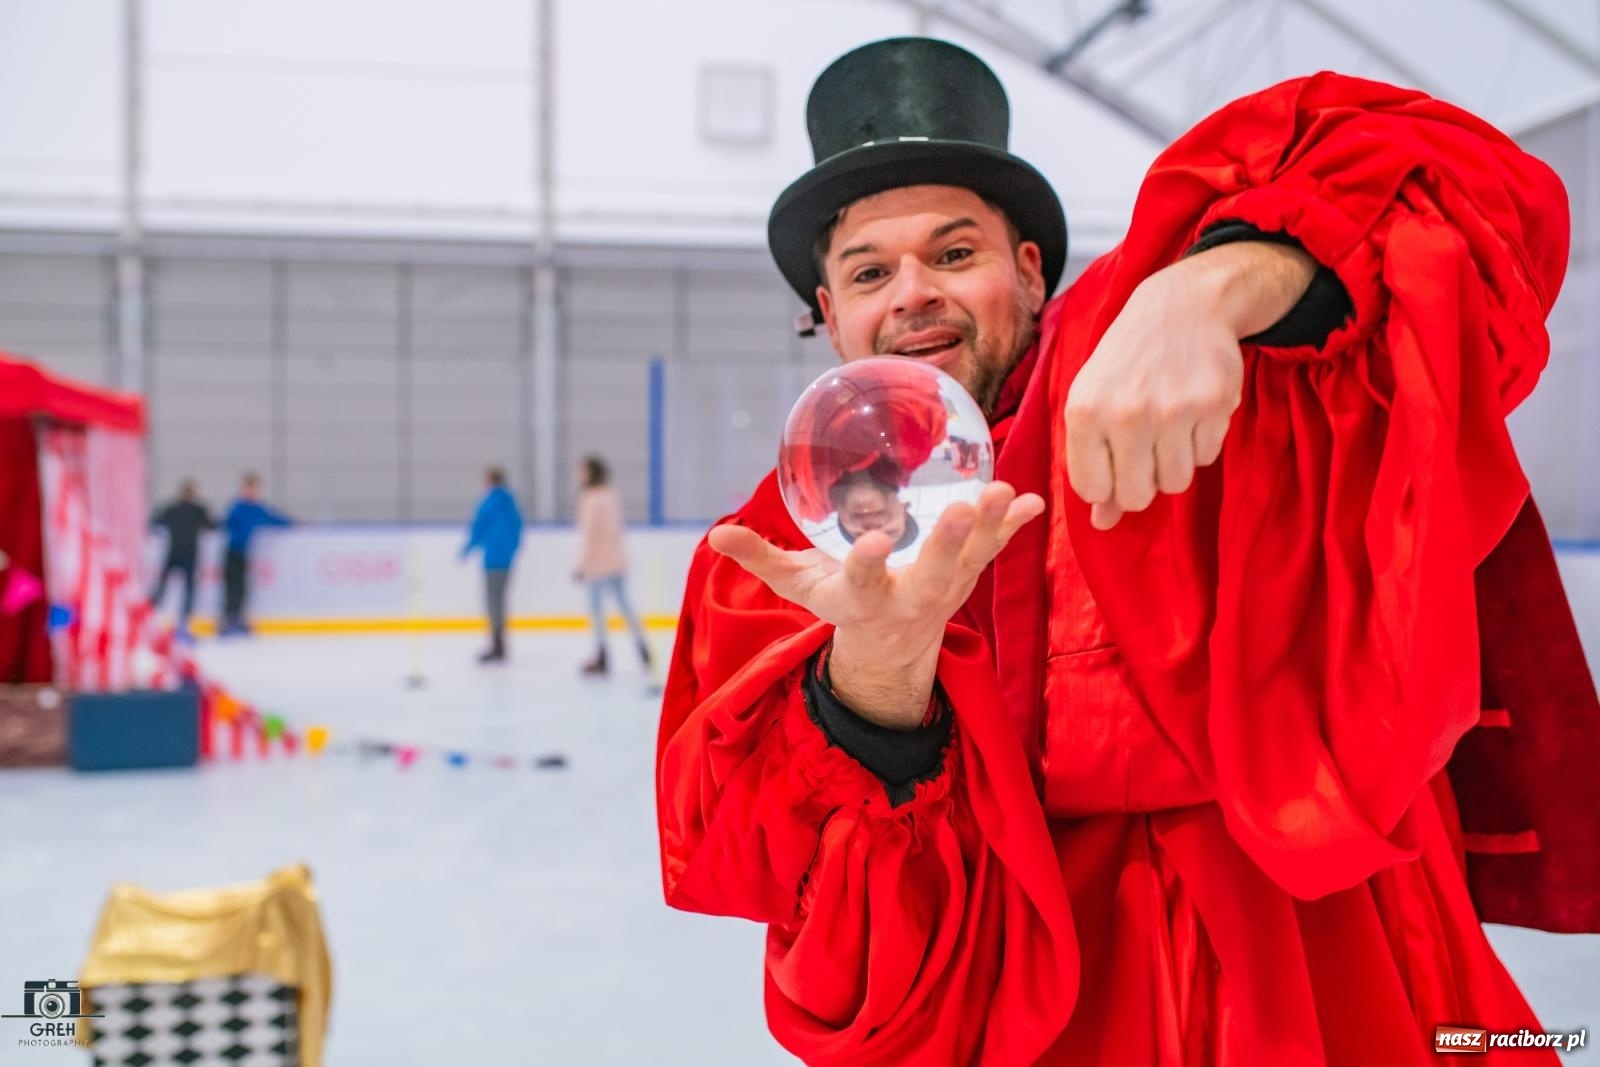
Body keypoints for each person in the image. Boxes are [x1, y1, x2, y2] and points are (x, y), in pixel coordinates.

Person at [656, 37, 1600, 1066]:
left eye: (955, 252)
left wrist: (1208, 291)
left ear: (1029, 273)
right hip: (1055, 1012)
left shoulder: (1170, 370)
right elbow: (828, 935)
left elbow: (1447, 186)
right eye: (870, 270)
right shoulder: (775, 555)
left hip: (1333, 969)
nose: (913, 291)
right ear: (829, 317)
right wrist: (880, 672)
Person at [574, 455, 650, 675]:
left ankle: (601, 654)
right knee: (625, 605)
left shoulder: (591, 498)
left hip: (597, 563)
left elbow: (589, 534)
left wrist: (582, 564)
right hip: (616, 559)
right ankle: (641, 646)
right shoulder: (611, 495)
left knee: (597, 610)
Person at [461, 466, 523, 663]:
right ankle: (500, 642)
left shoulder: (487, 503)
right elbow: (518, 527)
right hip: (506, 558)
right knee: (501, 599)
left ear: (489, 480)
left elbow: (478, 527)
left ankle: (497, 643)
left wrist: (468, 548)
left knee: (493, 600)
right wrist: (513, 550)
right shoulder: (511, 502)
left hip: (493, 558)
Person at [220, 473, 292, 636]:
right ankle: (228, 621)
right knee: (232, 588)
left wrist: (292, 523)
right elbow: (224, 522)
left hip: (244, 554)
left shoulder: (258, 509)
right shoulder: (237, 507)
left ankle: (239, 619)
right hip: (232, 553)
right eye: (249, 488)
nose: (252, 492)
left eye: (254, 488)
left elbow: (274, 518)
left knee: (243, 589)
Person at [149, 479, 216, 633]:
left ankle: (154, 612)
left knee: (165, 585)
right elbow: (211, 525)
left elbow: (156, 522)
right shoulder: (197, 509)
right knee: (187, 589)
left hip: (175, 552)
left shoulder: (173, 509)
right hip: (188, 553)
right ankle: (184, 621)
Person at [829, 469, 915, 550]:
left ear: (841, 517)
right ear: (904, 511)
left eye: (860, 536)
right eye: (890, 532)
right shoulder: (910, 458)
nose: (873, 531)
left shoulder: (816, 503)